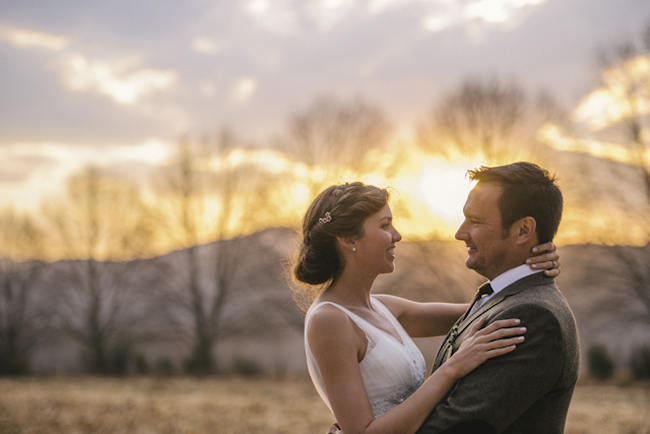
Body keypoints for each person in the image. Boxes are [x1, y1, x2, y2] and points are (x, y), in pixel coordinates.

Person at [294, 179, 561, 434]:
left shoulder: (385, 308)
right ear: (349, 240)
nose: (397, 235)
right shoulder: (329, 319)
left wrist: (527, 268)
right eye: (385, 225)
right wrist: (453, 368)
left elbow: (491, 309)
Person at [416, 162, 579, 433]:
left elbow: (456, 427)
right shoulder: (499, 299)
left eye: (476, 221)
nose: (459, 233)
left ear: (524, 230)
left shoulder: (533, 318)